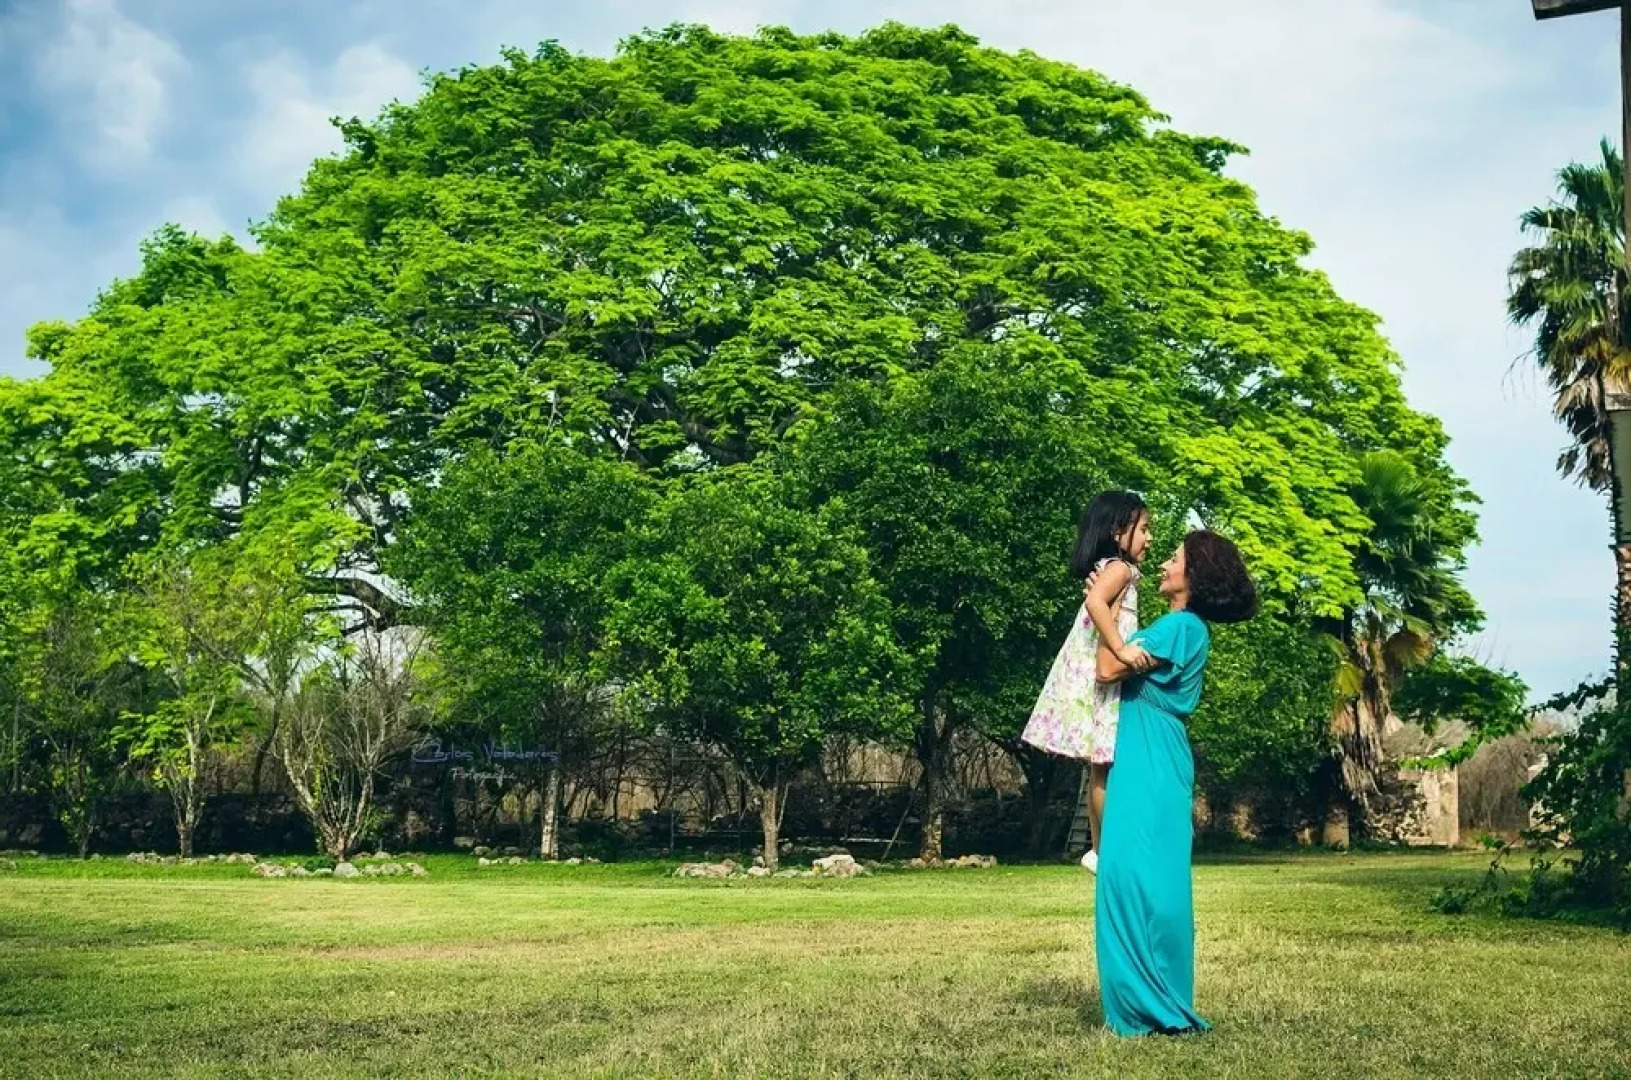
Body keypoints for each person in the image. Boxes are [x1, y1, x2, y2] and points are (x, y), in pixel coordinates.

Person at [1092, 529, 1257, 1037]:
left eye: (1175, 558)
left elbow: (1103, 668)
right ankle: (1148, 998)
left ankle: (1151, 1003)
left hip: (1152, 761)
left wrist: (1109, 598)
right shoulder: (1182, 627)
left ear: (1194, 576)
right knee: (1138, 877)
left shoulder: (1180, 627)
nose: (1164, 563)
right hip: (1149, 755)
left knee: (1136, 879)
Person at [1019, 492, 1154, 874]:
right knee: (1104, 768)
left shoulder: (1116, 570)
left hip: (1093, 683)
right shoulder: (1121, 570)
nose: (1148, 539)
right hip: (1103, 682)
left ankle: (1100, 849)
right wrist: (1122, 649)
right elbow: (1096, 602)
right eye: (1142, 529)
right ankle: (1107, 849)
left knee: (1100, 767)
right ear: (1117, 532)